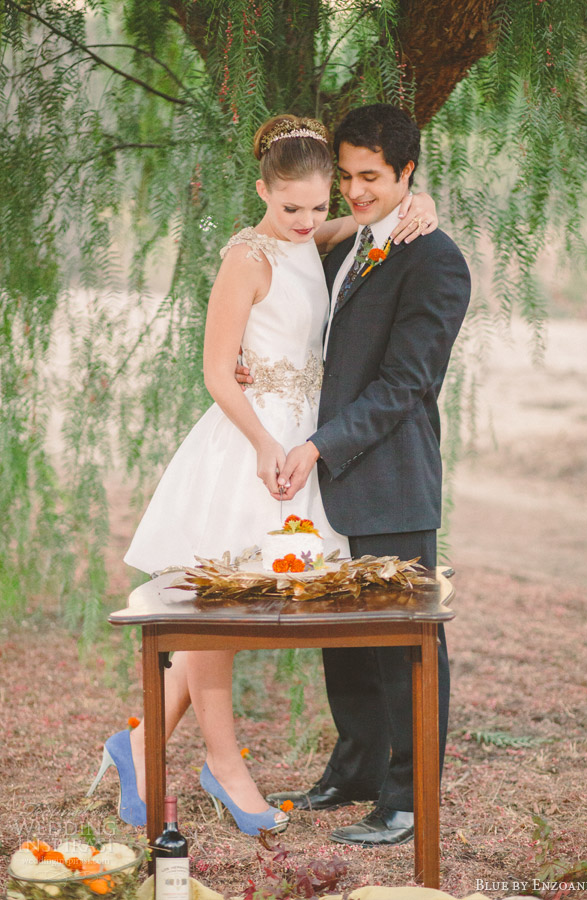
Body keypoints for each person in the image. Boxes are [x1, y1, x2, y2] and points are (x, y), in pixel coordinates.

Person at [87, 112, 438, 836]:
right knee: (218, 608)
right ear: (262, 192)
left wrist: (423, 202)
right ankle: (223, 763)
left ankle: (140, 743)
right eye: (292, 207)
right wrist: (258, 444)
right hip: (255, 441)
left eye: (320, 205)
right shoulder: (247, 256)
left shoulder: (317, 237)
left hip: (309, 444)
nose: (308, 220)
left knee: (255, 598)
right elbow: (218, 372)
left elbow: (373, 223)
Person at [262, 103, 471, 846]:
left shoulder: (435, 258)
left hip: (390, 478)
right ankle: (352, 772)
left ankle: (409, 797)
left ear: (408, 172)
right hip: (333, 481)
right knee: (345, 638)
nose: (354, 190)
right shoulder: (344, 244)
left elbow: (405, 384)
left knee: (404, 642)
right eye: (346, 176)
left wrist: (317, 446)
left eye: (372, 178)